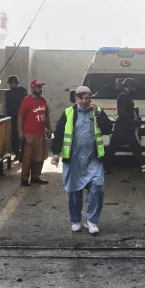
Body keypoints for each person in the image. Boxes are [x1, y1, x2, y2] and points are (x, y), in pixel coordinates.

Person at [50, 86, 113, 235]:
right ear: (76, 99)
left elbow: (108, 128)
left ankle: (91, 221)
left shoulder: (96, 111)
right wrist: (55, 153)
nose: (85, 101)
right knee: (73, 191)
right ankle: (76, 220)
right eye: (82, 98)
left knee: (97, 187)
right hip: (74, 159)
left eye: (87, 98)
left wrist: (99, 114)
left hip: (93, 159)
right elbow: (59, 133)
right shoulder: (68, 113)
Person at [103, 78, 145, 174]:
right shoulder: (123, 97)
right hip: (122, 127)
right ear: (128, 87)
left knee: (133, 146)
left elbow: (128, 110)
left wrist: (134, 115)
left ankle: (144, 165)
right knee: (113, 148)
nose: (135, 89)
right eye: (133, 87)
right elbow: (122, 113)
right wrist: (133, 117)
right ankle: (103, 167)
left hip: (126, 126)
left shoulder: (126, 96)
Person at [18, 80, 52, 186]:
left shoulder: (43, 100)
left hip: (40, 133)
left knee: (39, 156)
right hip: (29, 134)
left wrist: (49, 128)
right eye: (38, 87)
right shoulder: (26, 100)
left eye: (41, 87)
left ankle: (35, 176)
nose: (40, 89)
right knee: (28, 157)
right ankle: (24, 178)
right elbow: (20, 116)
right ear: (32, 88)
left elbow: (46, 116)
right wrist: (20, 132)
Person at [5, 76, 28, 160]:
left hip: (22, 117)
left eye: (14, 83)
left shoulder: (22, 91)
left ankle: (23, 154)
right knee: (14, 137)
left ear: (17, 83)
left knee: (23, 136)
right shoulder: (8, 93)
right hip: (12, 118)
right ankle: (17, 153)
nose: (13, 85)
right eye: (11, 83)